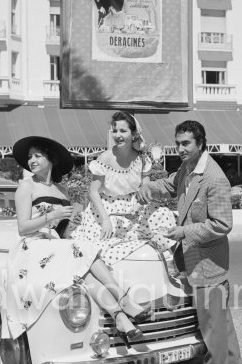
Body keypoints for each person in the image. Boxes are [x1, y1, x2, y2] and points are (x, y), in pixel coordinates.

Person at [0, 135, 150, 347]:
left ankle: (120, 317)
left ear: (50, 159)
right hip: (31, 247)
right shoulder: (26, 187)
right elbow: (23, 227)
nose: (32, 160)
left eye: (37, 156)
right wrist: (52, 215)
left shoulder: (62, 191)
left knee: (84, 270)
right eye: (30, 157)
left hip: (55, 246)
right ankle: (123, 300)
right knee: (86, 252)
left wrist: (71, 222)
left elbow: (62, 233)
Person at [137, 120, 242, 364]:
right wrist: (147, 187)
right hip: (199, 259)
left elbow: (222, 225)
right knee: (220, 318)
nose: (181, 149)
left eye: (186, 143)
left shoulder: (215, 178)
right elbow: (172, 185)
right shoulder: (189, 168)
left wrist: (183, 231)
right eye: (178, 143)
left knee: (211, 322)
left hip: (208, 261)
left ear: (200, 143)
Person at [71, 111, 176, 263]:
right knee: (104, 241)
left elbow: (145, 189)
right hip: (107, 208)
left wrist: (138, 206)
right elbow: (93, 192)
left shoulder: (142, 158)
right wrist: (105, 220)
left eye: (123, 130)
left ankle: (166, 260)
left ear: (133, 134)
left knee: (164, 214)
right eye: (115, 131)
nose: (118, 135)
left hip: (134, 205)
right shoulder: (105, 158)